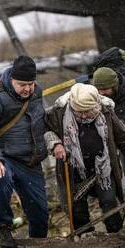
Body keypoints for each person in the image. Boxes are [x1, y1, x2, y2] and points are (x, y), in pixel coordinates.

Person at [0, 56, 49, 247]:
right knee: (0, 176)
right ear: (11, 79)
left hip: (29, 160)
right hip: (2, 156)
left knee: (40, 212)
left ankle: (37, 240)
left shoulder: (36, 93)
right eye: (22, 84)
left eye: (31, 83)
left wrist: (55, 143)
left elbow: (42, 122)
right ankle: (3, 228)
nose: (27, 89)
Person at [44, 83, 124, 235]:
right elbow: (46, 130)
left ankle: (115, 234)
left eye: (87, 111)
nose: (84, 115)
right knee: (77, 206)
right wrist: (55, 144)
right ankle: (85, 236)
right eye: (79, 112)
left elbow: (122, 136)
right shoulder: (58, 112)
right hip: (73, 167)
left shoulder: (105, 110)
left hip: (103, 168)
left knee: (109, 201)